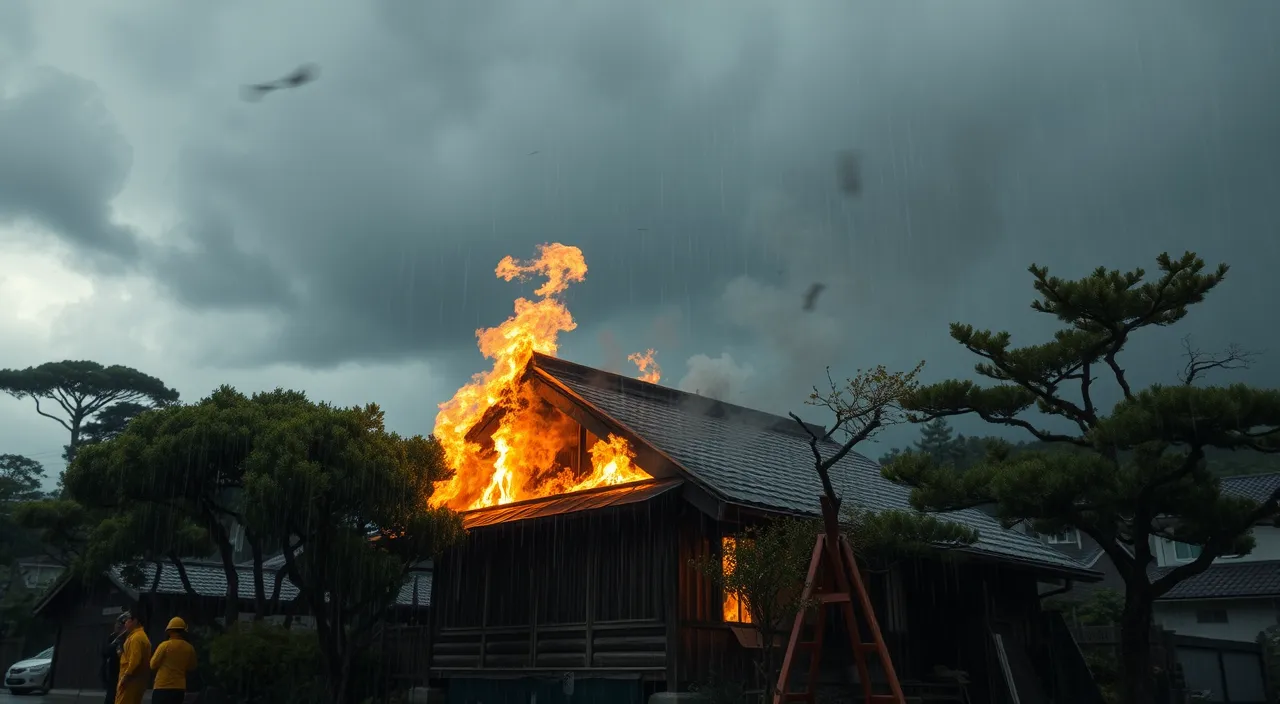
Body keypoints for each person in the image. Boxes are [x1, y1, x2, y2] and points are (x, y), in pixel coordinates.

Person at [149, 617, 197, 704]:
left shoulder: (164, 646)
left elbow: (153, 664)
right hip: (179, 688)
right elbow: (192, 666)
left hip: (162, 687)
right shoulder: (189, 648)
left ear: (169, 631)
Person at [114, 611, 151, 704]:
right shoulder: (139, 636)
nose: (125, 623)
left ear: (135, 621)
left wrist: (125, 677)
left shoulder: (136, 638)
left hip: (129, 682)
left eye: (127, 621)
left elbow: (135, 661)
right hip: (136, 682)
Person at [99, 613, 128, 704]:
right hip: (109, 673)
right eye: (117, 623)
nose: (118, 626)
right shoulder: (112, 637)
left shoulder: (125, 639)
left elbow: (115, 653)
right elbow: (104, 652)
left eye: (121, 624)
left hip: (118, 674)